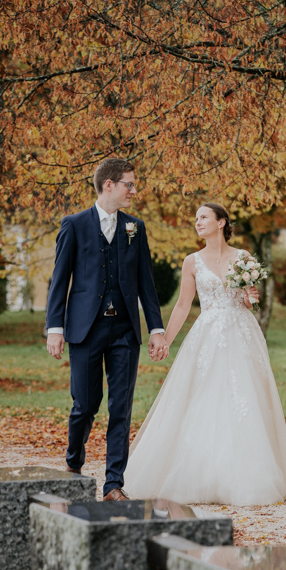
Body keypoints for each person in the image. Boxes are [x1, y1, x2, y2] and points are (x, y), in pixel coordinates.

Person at [124, 203, 286, 505]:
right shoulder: (191, 262)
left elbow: (248, 303)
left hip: (242, 334)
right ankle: (200, 475)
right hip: (207, 335)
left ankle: (248, 476)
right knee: (204, 397)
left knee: (244, 399)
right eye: (195, 219)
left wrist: (249, 296)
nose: (197, 222)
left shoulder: (243, 258)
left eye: (203, 217)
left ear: (221, 222)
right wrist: (165, 338)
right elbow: (182, 305)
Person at [45, 158, 168, 501]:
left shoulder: (135, 227)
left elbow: (146, 281)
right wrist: (55, 327)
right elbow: (60, 281)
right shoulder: (74, 225)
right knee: (86, 404)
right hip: (85, 329)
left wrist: (155, 327)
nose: (134, 190)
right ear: (109, 185)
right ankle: (73, 463)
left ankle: (114, 484)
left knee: (121, 407)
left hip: (125, 331)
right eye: (129, 184)